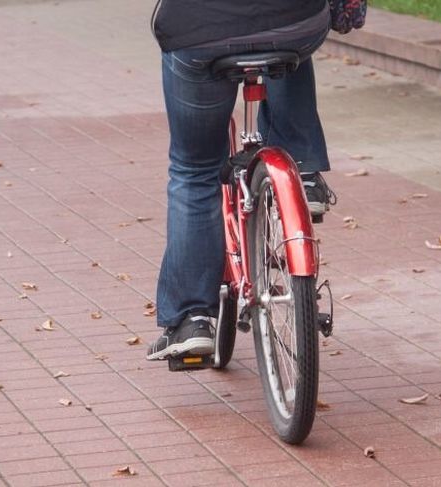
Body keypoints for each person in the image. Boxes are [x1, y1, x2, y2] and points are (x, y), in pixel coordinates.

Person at [146, 0, 365, 361]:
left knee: (194, 170)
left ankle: (192, 318)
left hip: (199, 30)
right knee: (284, 27)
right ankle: (302, 169)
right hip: (296, 24)